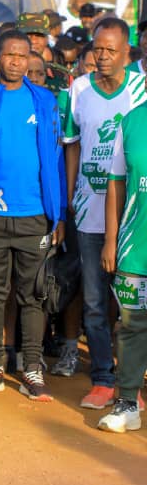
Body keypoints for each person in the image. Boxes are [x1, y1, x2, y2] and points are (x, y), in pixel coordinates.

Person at [0, 30, 65, 403]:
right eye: (10, 55)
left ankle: (32, 367)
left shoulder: (45, 101)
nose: (17, 62)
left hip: (35, 215)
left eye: (23, 55)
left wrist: (59, 214)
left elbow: (56, 158)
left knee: (33, 294)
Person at [63, 16, 146, 409]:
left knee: (132, 307)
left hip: (134, 219)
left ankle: (132, 383)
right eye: (97, 49)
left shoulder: (141, 89)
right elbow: (73, 146)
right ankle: (102, 378)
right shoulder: (79, 89)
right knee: (95, 303)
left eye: (111, 50)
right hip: (90, 214)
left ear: (127, 52)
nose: (102, 57)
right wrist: (69, 198)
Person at [99, 101, 147, 432]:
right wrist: (111, 240)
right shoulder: (131, 121)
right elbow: (116, 183)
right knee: (131, 325)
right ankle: (128, 403)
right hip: (135, 247)